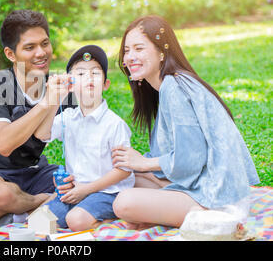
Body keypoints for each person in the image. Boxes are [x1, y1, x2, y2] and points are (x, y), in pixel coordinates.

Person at [111, 15, 260, 229]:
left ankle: (207, 218)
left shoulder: (174, 87)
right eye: (126, 50)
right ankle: (165, 213)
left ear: (162, 52)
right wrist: (135, 164)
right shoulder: (167, 87)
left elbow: (190, 160)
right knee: (125, 176)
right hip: (198, 184)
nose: (130, 57)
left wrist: (143, 163)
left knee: (124, 203)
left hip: (217, 196)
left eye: (139, 48)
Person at [0, 10, 74, 225]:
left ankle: (21, 213)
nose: (41, 53)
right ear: (11, 54)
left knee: (86, 180)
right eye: (30, 47)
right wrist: (46, 102)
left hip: (35, 174)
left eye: (45, 43)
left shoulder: (58, 85)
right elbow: (4, 144)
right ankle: (42, 203)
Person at [34, 45, 135, 231]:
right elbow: (42, 134)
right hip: (76, 190)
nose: (88, 77)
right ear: (71, 86)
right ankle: (84, 213)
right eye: (80, 74)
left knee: (76, 220)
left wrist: (87, 190)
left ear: (106, 84)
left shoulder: (114, 124)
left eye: (95, 73)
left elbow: (124, 169)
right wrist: (55, 98)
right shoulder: (68, 117)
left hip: (107, 192)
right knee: (39, 222)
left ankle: (113, 222)